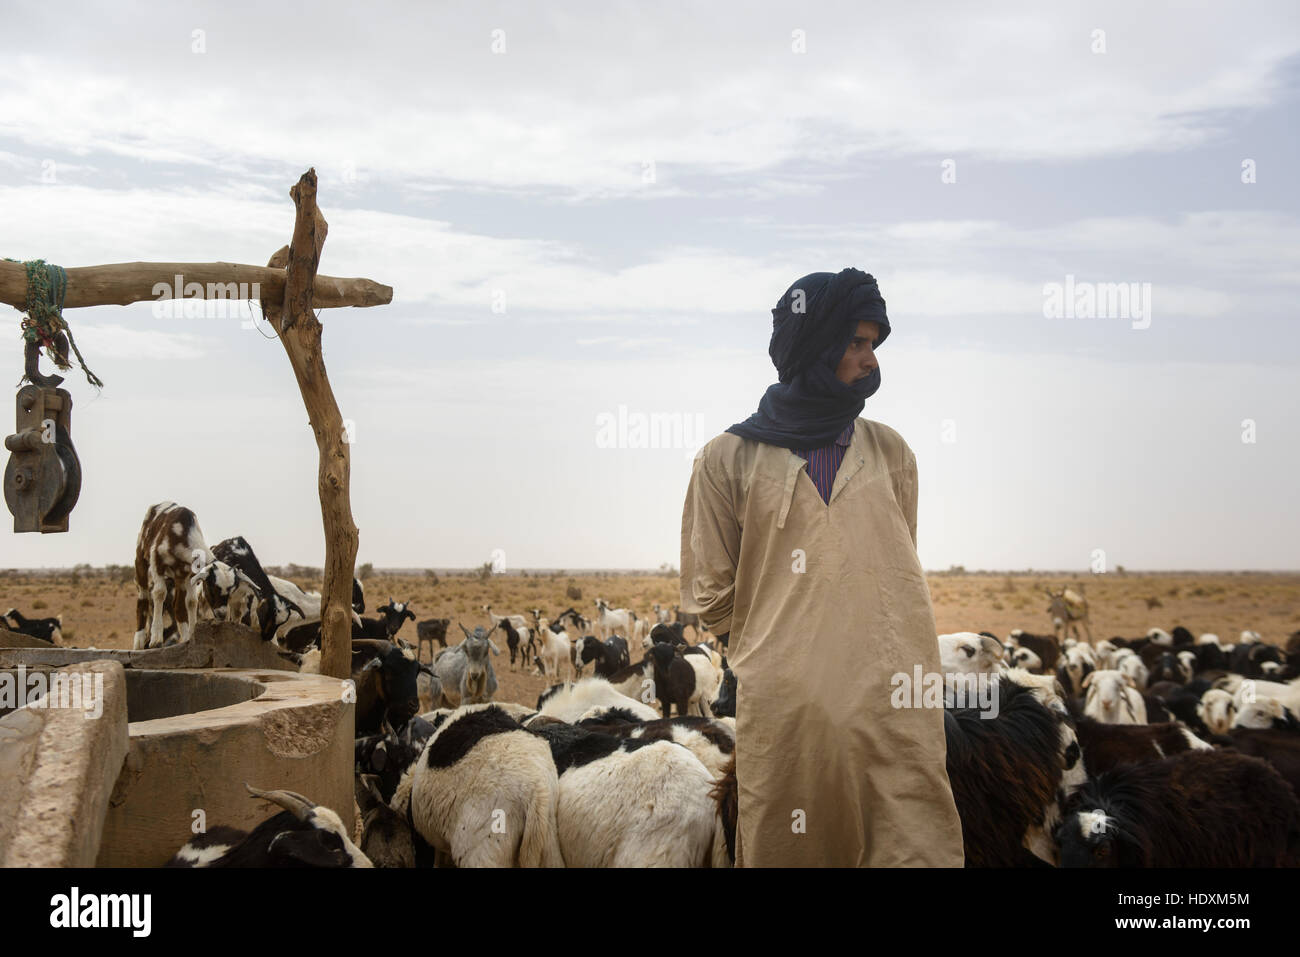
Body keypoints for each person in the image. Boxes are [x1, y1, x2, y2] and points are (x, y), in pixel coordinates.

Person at [679, 267, 964, 867]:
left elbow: (894, 573)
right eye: (855, 343)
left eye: (874, 344)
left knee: (909, 844)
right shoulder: (727, 459)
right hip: (790, 717)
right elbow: (711, 593)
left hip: (895, 707)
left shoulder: (892, 453)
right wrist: (785, 658)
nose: (869, 360)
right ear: (816, 347)